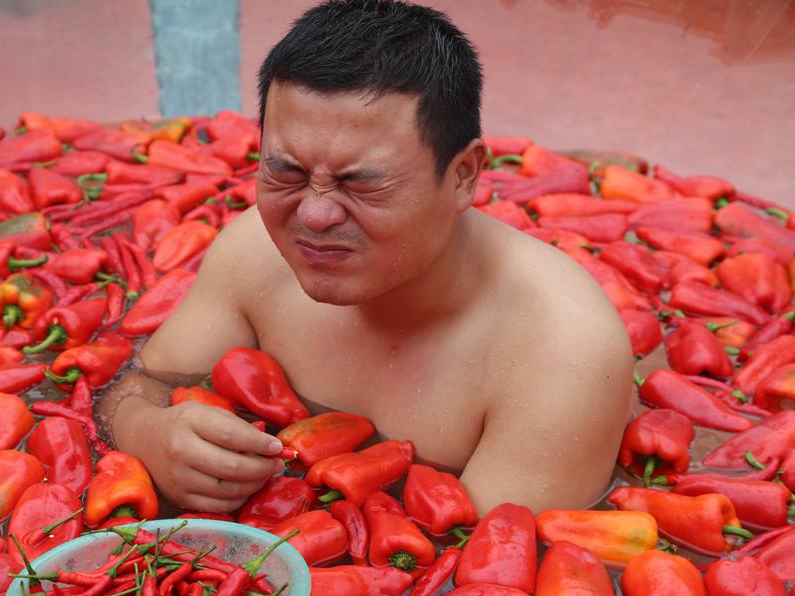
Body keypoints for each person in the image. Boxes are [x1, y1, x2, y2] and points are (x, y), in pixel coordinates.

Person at [98, 0, 633, 515]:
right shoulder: (255, 253)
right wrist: (148, 433)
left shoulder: (559, 353)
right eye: (287, 173)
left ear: (464, 175)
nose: (314, 215)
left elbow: (494, 580)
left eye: (361, 184)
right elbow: (138, 384)